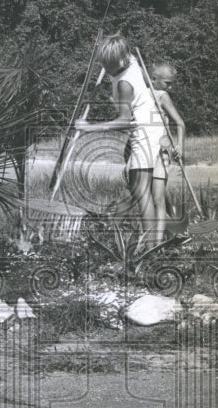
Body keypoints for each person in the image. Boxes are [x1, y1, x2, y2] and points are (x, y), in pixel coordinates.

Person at [74, 33, 167, 248]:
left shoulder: (125, 83)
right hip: (150, 129)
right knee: (137, 187)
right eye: (104, 64)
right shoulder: (131, 61)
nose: (106, 69)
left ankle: (151, 246)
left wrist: (90, 128)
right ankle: (136, 237)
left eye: (110, 65)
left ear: (121, 61)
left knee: (141, 191)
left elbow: (125, 120)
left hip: (144, 133)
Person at [148, 62, 187, 242]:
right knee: (146, 196)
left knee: (157, 197)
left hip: (159, 152)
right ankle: (168, 233)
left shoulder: (162, 96)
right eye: (167, 83)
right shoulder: (142, 93)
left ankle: (158, 243)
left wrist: (179, 145)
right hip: (142, 151)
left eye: (172, 83)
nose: (170, 87)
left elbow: (180, 123)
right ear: (153, 79)